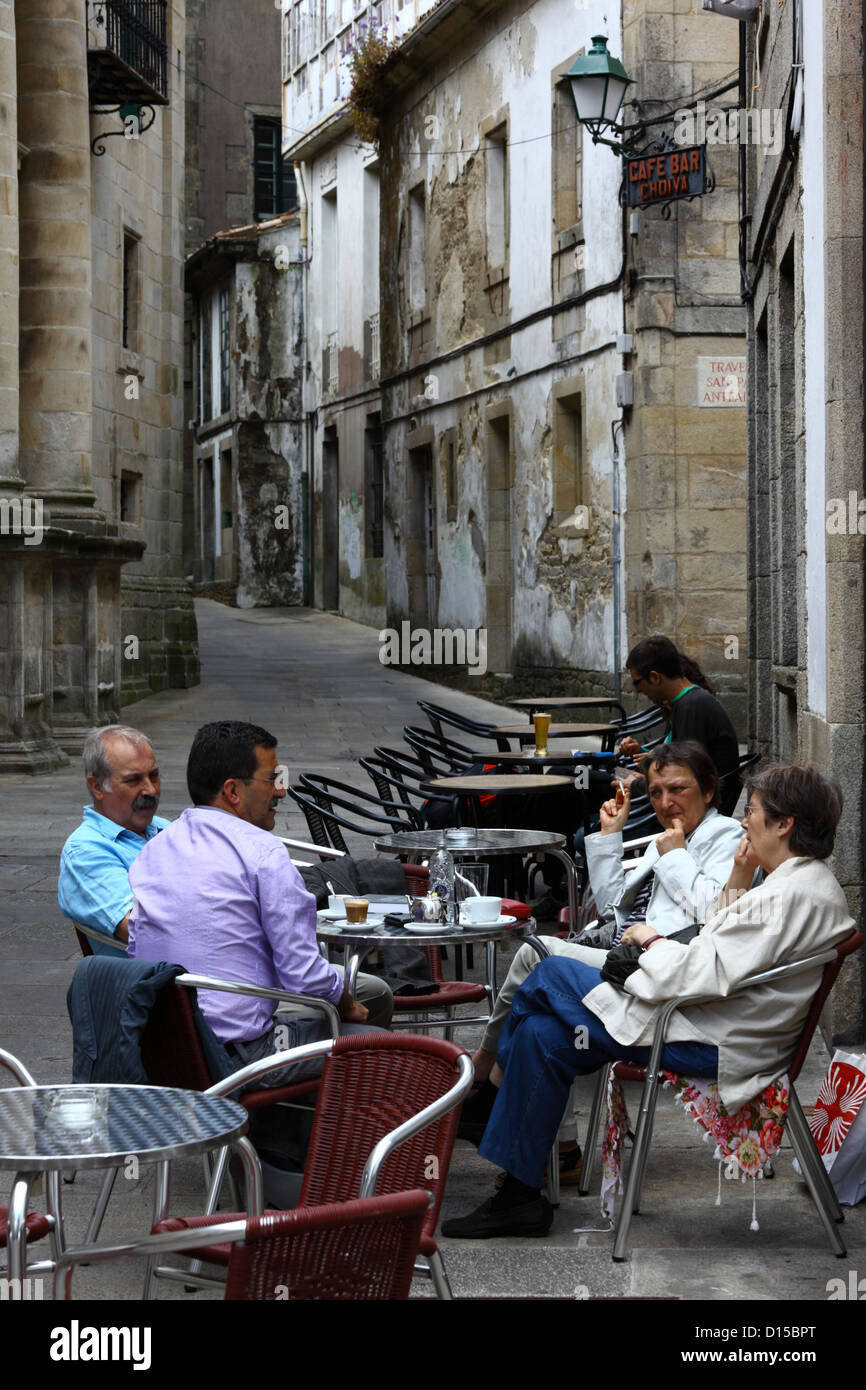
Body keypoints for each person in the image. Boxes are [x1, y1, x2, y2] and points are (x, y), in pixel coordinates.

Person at [442, 763, 853, 1238]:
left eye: (755, 812)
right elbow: (721, 940)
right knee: (541, 1034)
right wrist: (740, 873)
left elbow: (703, 972)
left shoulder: (787, 895)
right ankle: (518, 1197)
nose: (745, 821)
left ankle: (488, 1102)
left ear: (785, 825)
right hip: (714, 1022)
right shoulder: (798, 883)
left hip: (711, 1037)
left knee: (548, 973)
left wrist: (654, 943)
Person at [127, 720, 393, 1081]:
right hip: (239, 1055)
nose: (281, 792)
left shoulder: (153, 851)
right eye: (272, 780)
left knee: (348, 1001)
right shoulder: (262, 853)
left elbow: (137, 948)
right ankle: (327, 1134)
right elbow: (303, 975)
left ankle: (286, 1130)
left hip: (166, 1048)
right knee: (384, 1047)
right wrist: (346, 1003)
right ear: (233, 791)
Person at [470, 742, 743, 1089]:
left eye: (677, 789)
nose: (664, 802)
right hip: (621, 951)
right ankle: (562, 1140)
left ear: (707, 790)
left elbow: (715, 911)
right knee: (542, 1026)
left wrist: (676, 856)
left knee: (533, 953)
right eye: (656, 792)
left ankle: (485, 1062)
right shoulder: (670, 838)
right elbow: (615, 903)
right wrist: (611, 836)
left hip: (657, 969)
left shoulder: (725, 835)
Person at [58, 726, 168, 954]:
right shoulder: (86, 851)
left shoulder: (167, 829)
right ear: (97, 787)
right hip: (170, 984)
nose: (150, 790)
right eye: (133, 780)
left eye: (154, 776)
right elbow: (141, 931)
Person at [618, 636, 740, 806]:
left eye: (637, 682)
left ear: (655, 677)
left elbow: (683, 780)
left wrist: (638, 785)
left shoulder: (692, 706)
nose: (637, 690)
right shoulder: (686, 703)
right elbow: (678, 762)